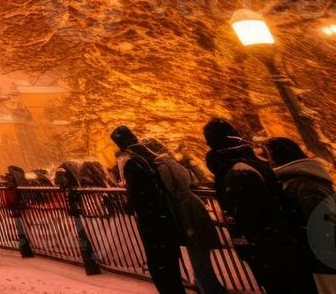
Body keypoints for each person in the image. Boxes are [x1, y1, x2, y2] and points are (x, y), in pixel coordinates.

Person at [204, 118, 318, 294]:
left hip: (271, 251)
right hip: (280, 248)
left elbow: (252, 220)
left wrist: (249, 247)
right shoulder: (246, 166)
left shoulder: (236, 171)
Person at [267, 137, 336, 294]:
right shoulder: (301, 180)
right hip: (327, 260)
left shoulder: (304, 184)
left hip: (328, 263)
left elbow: (326, 225)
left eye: (266, 155)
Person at [111, 126, 190, 294]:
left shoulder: (133, 163)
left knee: (161, 270)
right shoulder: (152, 156)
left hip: (152, 222)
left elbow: (139, 198)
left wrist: (128, 202)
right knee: (171, 265)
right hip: (168, 216)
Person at [143, 138, 228, 294]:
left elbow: (168, 186)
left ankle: (209, 287)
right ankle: (208, 285)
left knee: (197, 252)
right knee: (200, 252)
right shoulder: (171, 162)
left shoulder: (161, 165)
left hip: (185, 211)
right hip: (191, 207)